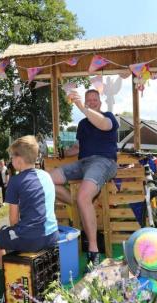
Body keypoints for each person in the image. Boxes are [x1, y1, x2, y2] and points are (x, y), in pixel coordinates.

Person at [48, 89, 118, 267]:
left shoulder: (109, 117)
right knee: (46, 180)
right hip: (83, 163)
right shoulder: (82, 124)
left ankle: (93, 250)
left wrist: (81, 106)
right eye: (89, 100)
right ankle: (77, 203)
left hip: (104, 162)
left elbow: (103, 124)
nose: (92, 102)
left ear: (100, 102)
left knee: (83, 196)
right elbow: (78, 148)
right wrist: (63, 152)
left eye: (95, 99)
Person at [0, 136, 58, 267]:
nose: (11, 160)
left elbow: (13, 220)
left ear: (19, 159)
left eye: (12, 157)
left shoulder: (15, 181)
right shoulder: (46, 175)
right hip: (53, 234)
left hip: (33, 238)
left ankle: (3, 277)